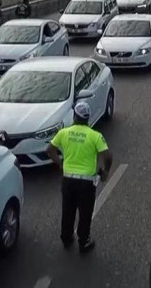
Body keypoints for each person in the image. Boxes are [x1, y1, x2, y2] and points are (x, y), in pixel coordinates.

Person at [46, 101, 113, 253]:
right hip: (87, 183)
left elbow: (49, 150)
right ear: (88, 118)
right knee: (85, 213)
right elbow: (108, 156)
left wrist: (60, 164)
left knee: (67, 210)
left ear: (75, 116)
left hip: (68, 180)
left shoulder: (64, 133)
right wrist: (105, 171)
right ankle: (84, 241)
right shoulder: (95, 136)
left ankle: (66, 237)